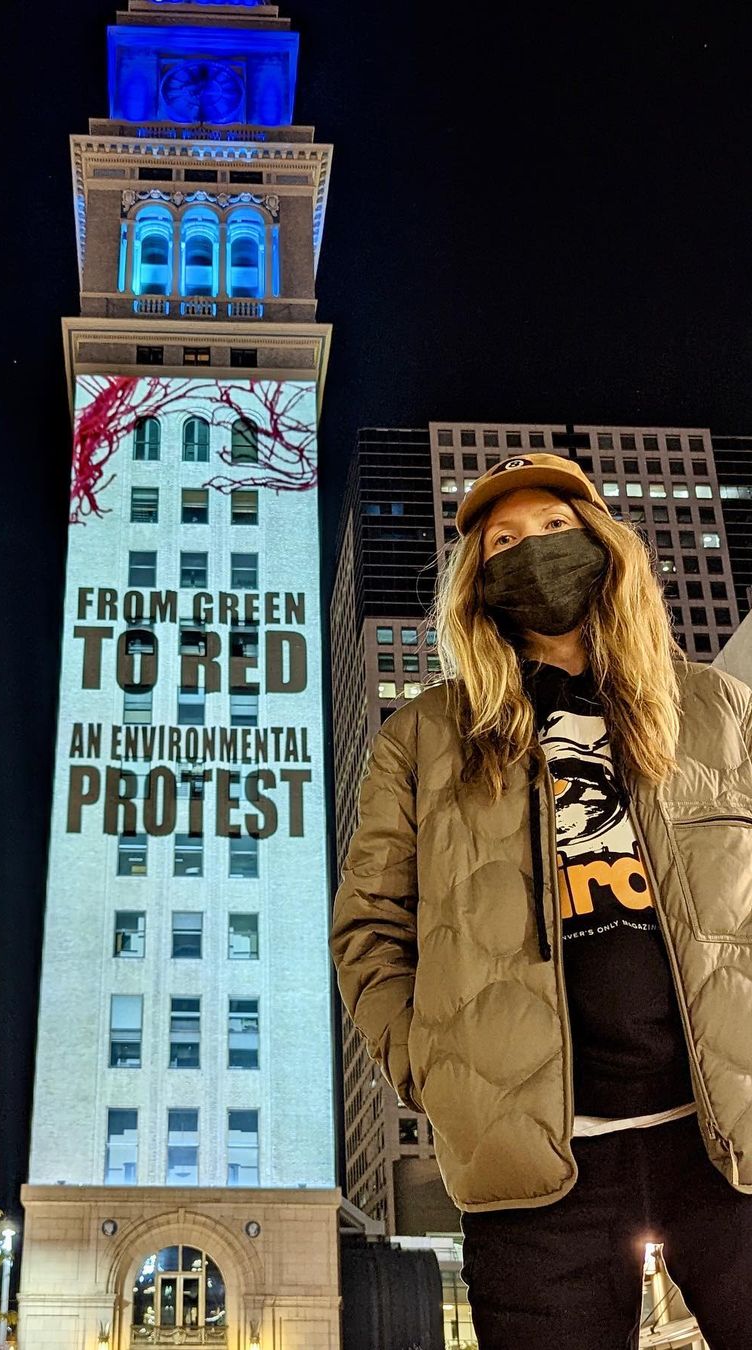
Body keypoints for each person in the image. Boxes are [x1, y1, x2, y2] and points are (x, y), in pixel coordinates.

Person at [329, 452, 752, 1350]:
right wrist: (441, 1073)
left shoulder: (717, 707)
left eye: (556, 528)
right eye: (504, 541)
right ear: (477, 582)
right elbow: (368, 929)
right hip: (535, 1175)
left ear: (603, 544)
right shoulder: (425, 737)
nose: (534, 550)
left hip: (732, 1142)